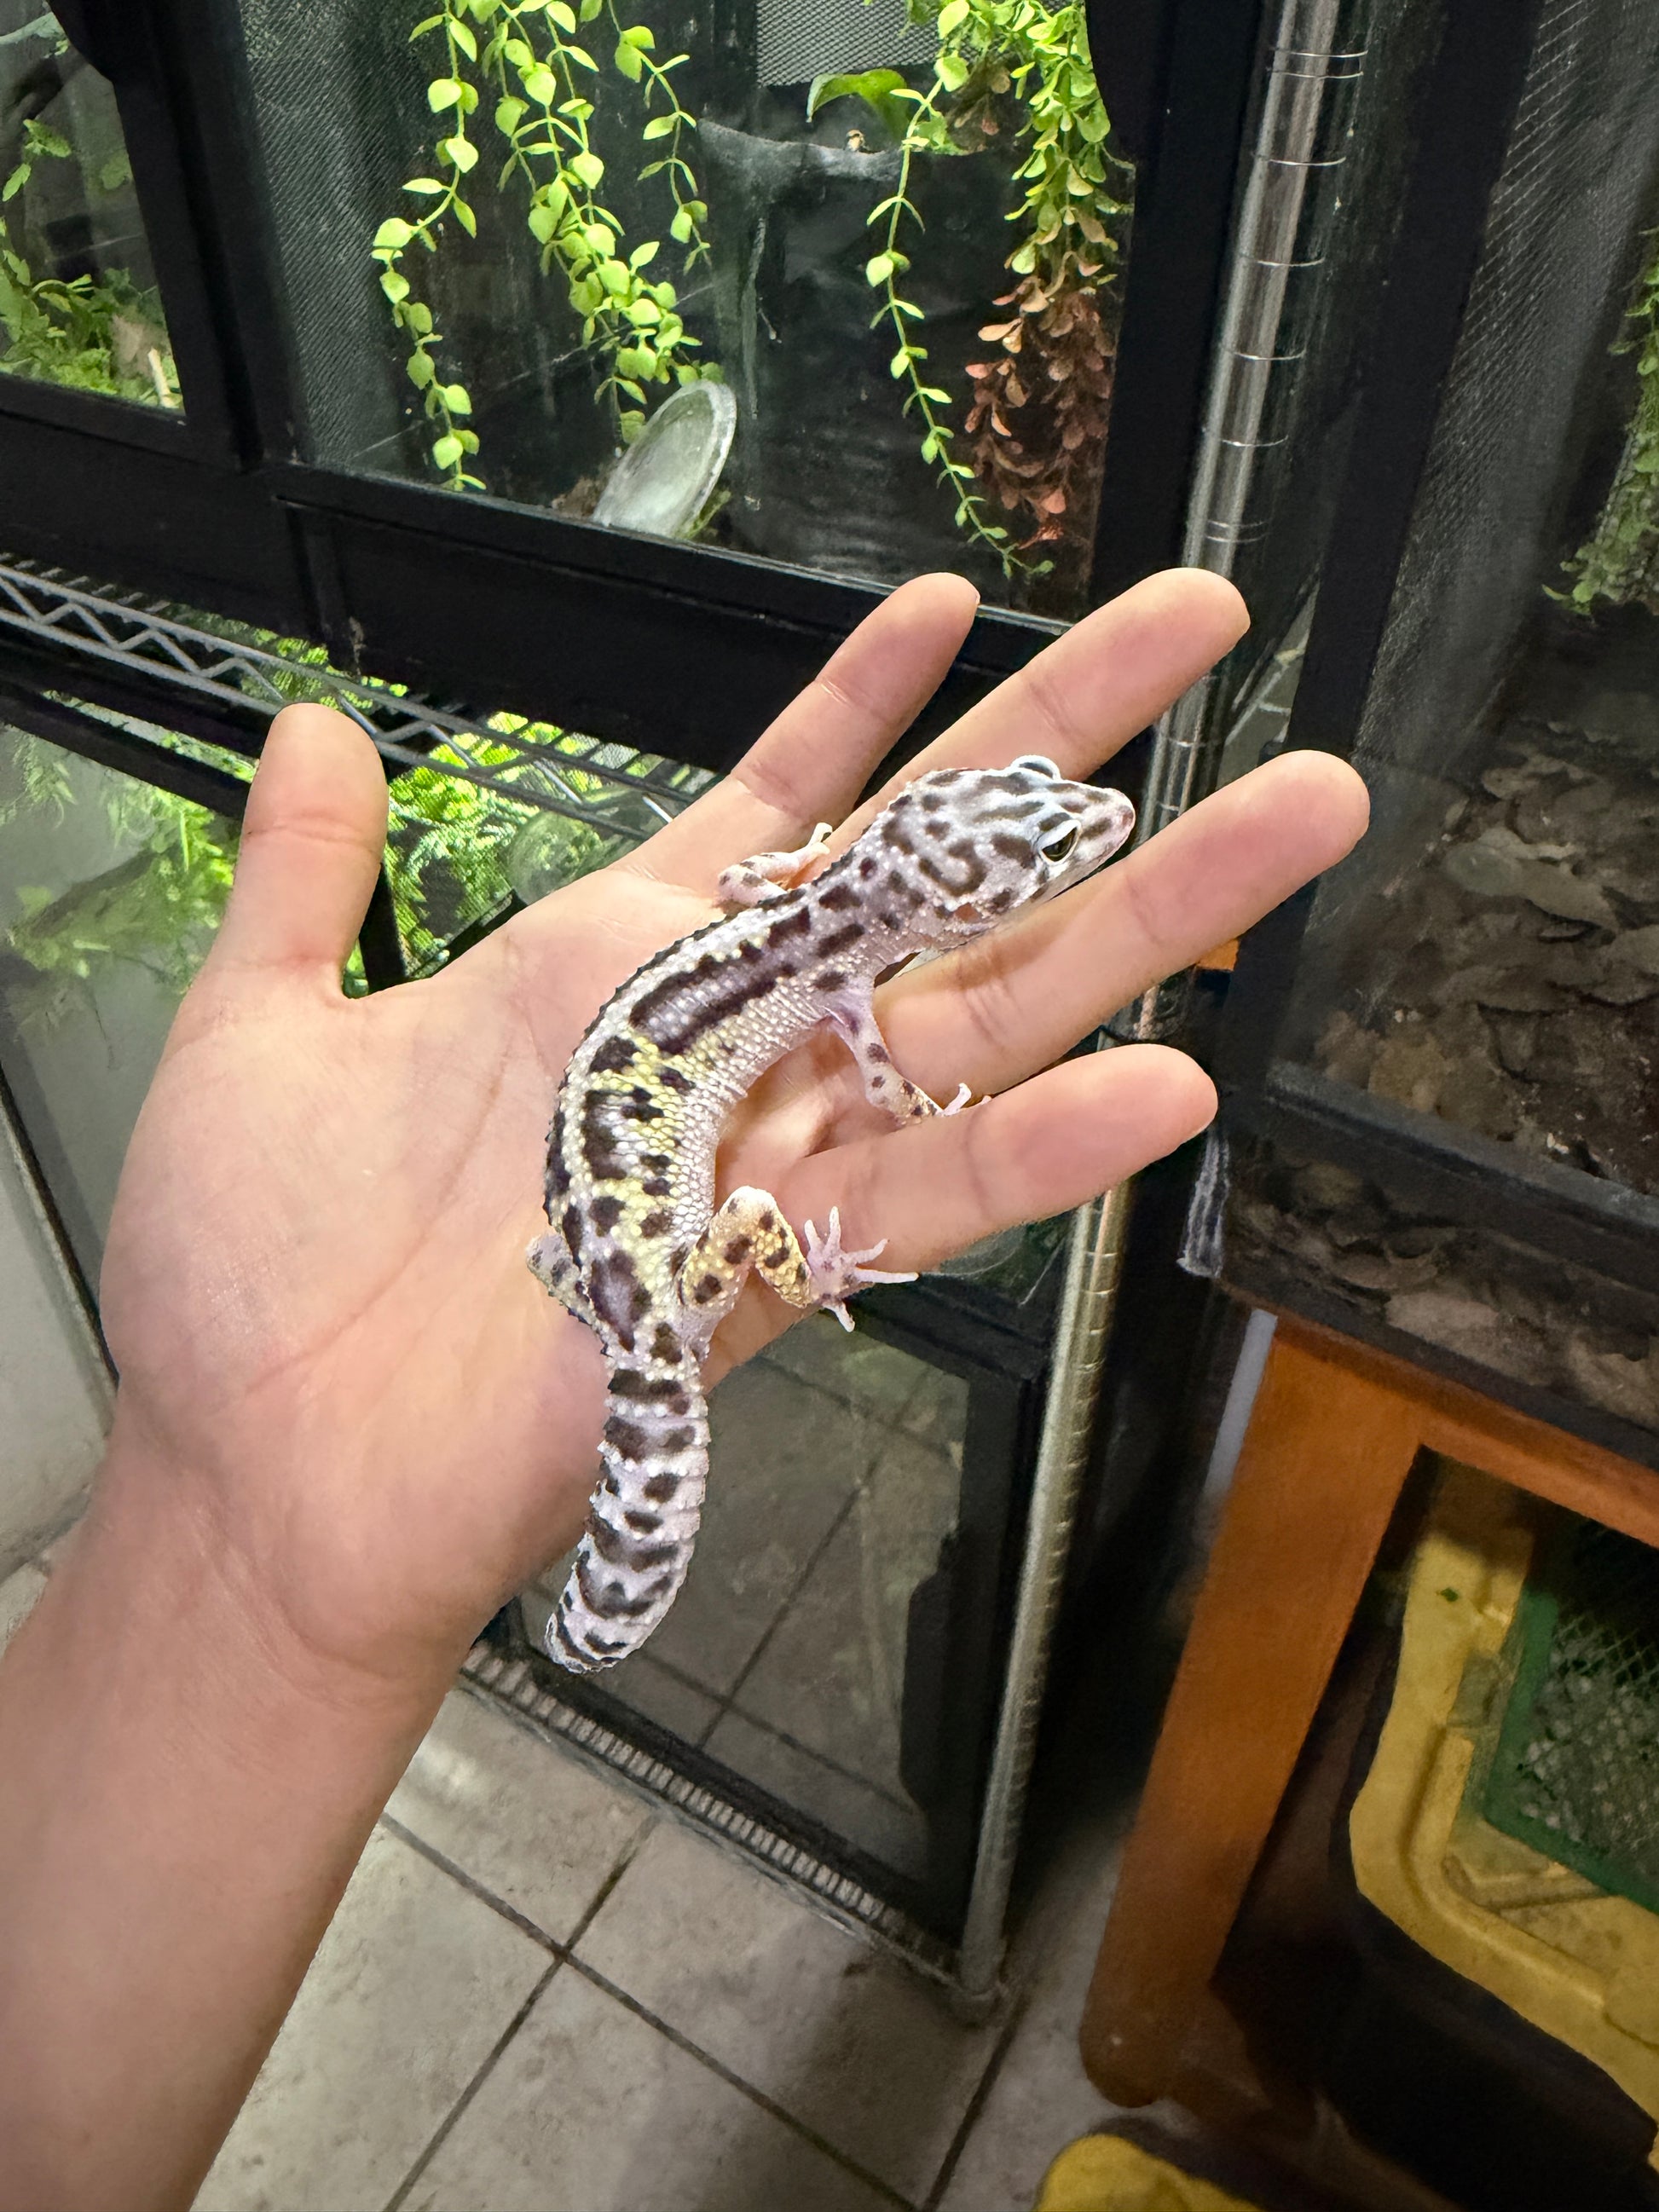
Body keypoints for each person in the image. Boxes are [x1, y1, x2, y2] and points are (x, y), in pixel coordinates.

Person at [0, 570, 1367, 2210]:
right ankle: (776, 1290)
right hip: (637, 1238)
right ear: (932, 905)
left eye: (1045, 842)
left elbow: (800, 909)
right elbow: (872, 1059)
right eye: (1040, 854)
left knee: (669, 1316)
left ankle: (676, 1415)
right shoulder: (838, 958)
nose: (1082, 839)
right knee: (735, 1275)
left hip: (600, 1223)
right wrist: (807, 1248)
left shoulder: (813, 897)